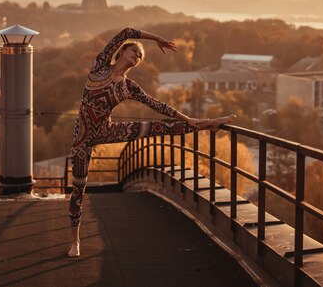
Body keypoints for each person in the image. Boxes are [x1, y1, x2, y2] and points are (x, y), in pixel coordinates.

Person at [68, 27, 235, 257]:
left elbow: (158, 105)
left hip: (106, 131)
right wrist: (156, 39)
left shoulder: (129, 87)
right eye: (134, 51)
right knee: (78, 188)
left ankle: (208, 123)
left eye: (140, 56)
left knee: (156, 127)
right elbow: (125, 31)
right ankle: (74, 241)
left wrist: (187, 118)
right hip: (82, 136)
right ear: (122, 51)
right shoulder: (100, 66)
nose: (137, 56)